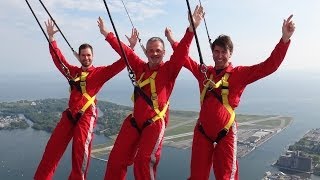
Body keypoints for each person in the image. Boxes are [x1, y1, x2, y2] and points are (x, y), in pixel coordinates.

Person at [165, 15, 295, 180]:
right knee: (197, 176)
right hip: (202, 131)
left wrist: (284, 40)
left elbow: (269, 66)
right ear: (212, 52)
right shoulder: (204, 72)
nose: (219, 56)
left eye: (223, 52)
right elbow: (183, 57)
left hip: (225, 133)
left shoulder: (239, 74)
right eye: (216, 51)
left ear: (230, 53)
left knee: (226, 177)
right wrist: (174, 39)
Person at [97, 5, 204, 180]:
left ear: (164, 52)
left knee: (144, 161)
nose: (154, 54)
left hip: (154, 123)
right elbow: (123, 51)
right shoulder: (139, 66)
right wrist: (106, 33)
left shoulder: (169, 69)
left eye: (158, 51)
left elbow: (182, 52)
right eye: (151, 50)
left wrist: (191, 30)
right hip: (134, 122)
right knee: (116, 160)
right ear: (146, 52)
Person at [34, 19, 126, 180]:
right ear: (79, 56)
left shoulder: (99, 73)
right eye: (83, 55)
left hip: (86, 116)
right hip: (70, 115)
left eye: (88, 55)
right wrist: (51, 39)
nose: (86, 58)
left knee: (80, 153)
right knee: (51, 150)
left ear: (92, 56)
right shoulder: (73, 71)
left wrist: (115, 39)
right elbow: (59, 59)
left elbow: (121, 63)